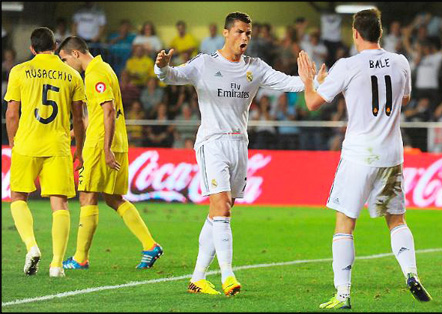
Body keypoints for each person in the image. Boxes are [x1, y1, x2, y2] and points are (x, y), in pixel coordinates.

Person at [154, 11, 326, 296]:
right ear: (226, 33)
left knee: (220, 211)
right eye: (239, 32)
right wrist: (162, 67)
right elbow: (171, 77)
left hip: (239, 145)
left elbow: (289, 82)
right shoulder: (205, 63)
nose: (245, 37)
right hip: (212, 142)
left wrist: (314, 81)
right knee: (221, 207)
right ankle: (228, 275)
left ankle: (197, 277)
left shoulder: (255, 67)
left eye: (248, 33)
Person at [297, 9, 432, 309]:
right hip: (391, 154)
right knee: (396, 220)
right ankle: (411, 273)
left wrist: (310, 81)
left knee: (345, 223)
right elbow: (404, 98)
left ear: (355, 33)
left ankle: (342, 294)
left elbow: (312, 103)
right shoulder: (401, 62)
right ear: (379, 33)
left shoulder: (347, 66)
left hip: (359, 154)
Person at [57, 36, 163, 271]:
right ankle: (149, 245)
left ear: (75, 54)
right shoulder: (104, 69)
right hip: (115, 141)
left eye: (64, 60)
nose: (65, 66)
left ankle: (80, 258)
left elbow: (108, 111)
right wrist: (72, 135)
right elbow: (94, 114)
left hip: (101, 144)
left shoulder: (95, 73)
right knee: (113, 198)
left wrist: (105, 149)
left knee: (86, 195)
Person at [4, 27, 85, 277]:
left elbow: (11, 114)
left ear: (31, 48)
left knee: (18, 198)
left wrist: (13, 143)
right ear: (56, 46)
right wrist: (79, 149)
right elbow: (79, 120)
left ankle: (31, 246)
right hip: (57, 145)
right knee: (59, 204)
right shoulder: (72, 75)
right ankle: (57, 264)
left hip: (26, 143)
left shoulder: (19, 71)